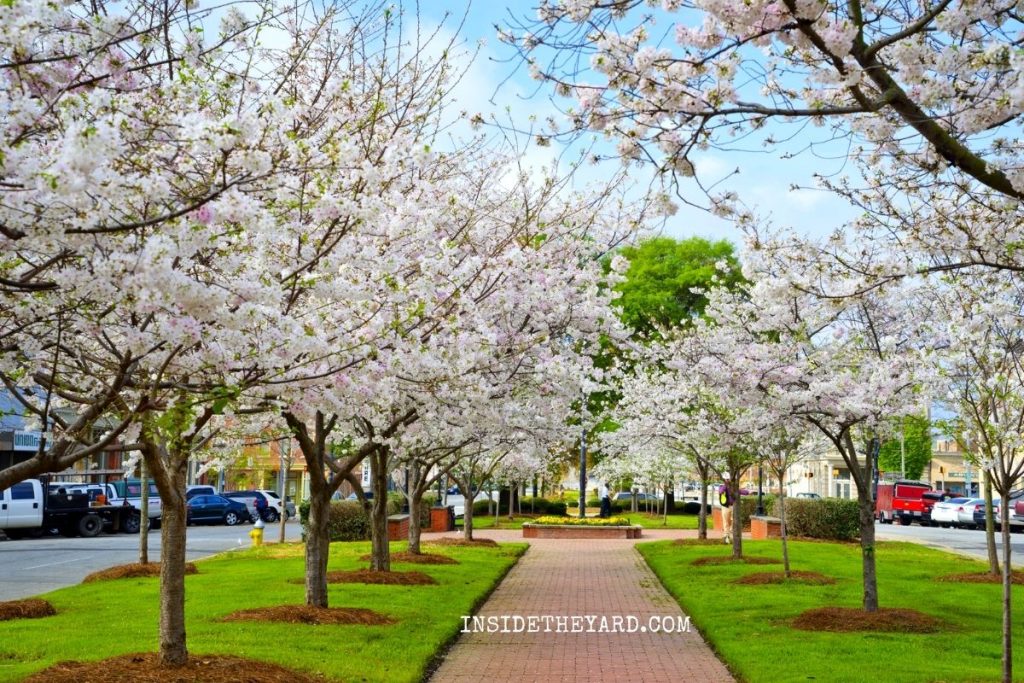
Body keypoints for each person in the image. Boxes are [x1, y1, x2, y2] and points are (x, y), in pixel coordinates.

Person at [718, 480, 735, 544]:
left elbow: (739, 491)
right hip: (725, 507)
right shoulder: (722, 487)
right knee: (726, 522)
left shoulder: (733, 487)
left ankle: (729, 533)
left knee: (733, 520)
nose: (728, 480)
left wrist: (747, 492)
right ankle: (726, 536)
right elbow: (721, 491)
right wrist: (726, 485)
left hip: (733, 506)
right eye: (726, 479)